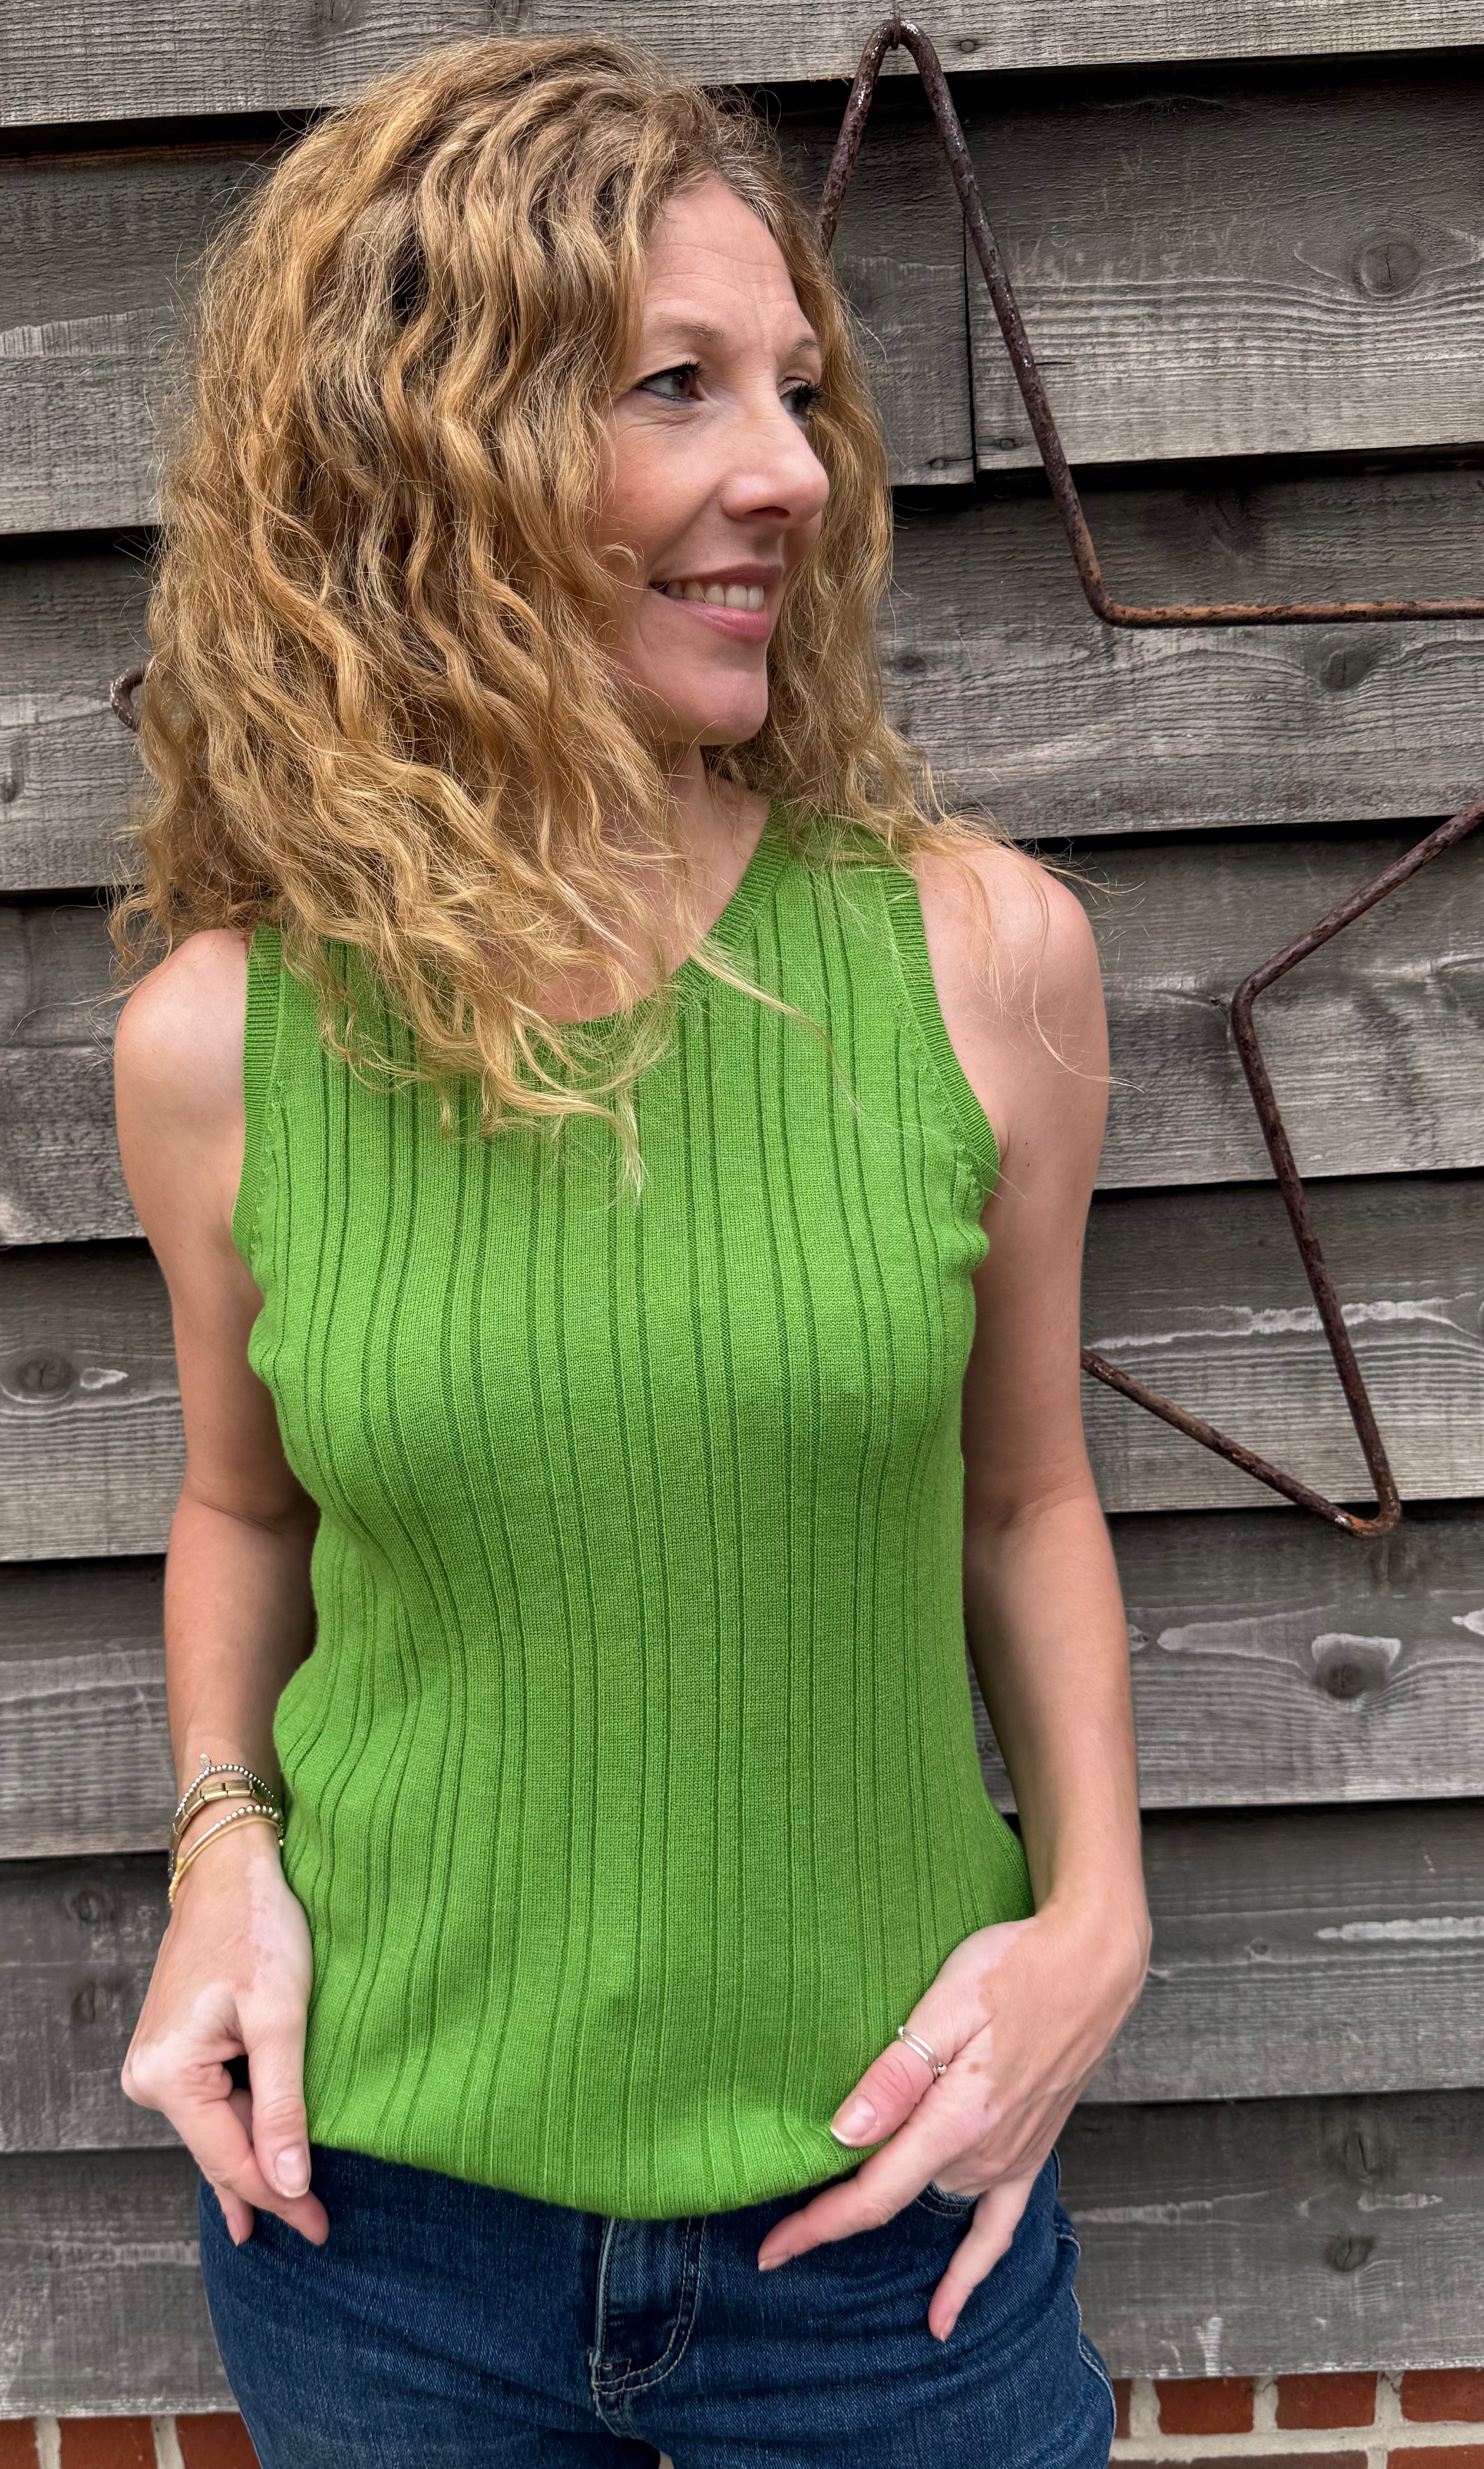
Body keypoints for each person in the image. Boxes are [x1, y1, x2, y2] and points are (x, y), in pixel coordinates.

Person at [112, 32, 1149, 2466]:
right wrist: (215, 1838)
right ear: (417, 457)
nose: (785, 471)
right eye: (671, 388)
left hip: (888, 2209)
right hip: (374, 2236)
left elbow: (1025, 1499)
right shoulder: (220, 1041)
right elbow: (246, 1510)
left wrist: (1095, 1914)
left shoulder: (975, 960)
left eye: (791, 389)